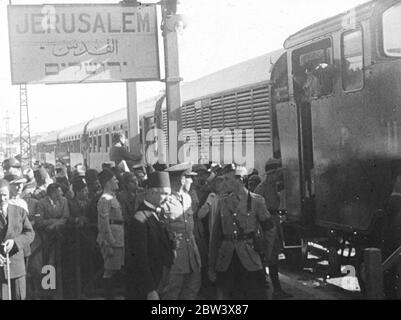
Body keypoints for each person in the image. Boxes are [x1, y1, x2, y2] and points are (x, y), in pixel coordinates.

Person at [209, 165, 274, 300]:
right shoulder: (222, 202)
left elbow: (269, 230)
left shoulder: (257, 201)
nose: (224, 183)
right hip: (227, 259)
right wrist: (212, 265)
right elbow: (215, 236)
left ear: (239, 180)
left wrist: (265, 256)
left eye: (227, 179)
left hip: (250, 258)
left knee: (255, 295)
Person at [126, 171, 174, 300]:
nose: (168, 198)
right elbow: (140, 257)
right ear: (152, 192)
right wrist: (150, 289)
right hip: (143, 288)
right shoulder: (139, 218)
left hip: (159, 281)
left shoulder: (157, 214)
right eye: (165, 194)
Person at [162, 163, 202, 300]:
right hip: (175, 257)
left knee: (192, 289)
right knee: (172, 291)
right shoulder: (165, 201)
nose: (192, 181)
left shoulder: (187, 198)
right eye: (189, 177)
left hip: (192, 254)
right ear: (182, 179)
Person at [254, 159, 292, 299]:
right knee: (268, 257)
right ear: (273, 173)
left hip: (273, 223)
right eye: (278, 173)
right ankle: (272, 288)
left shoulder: (272, 187)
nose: (279, 176)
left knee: (273, 256)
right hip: (266, 225)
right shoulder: (261, 189)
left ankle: (275, 288)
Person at [0, 179, 35, 300]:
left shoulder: (19, 211)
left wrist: (15, 242)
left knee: (20, 296)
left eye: (4, 195)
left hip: (17, 263)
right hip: (1, 265)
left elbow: (29, 233)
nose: (1, 199)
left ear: (9, 195)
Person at [97, 169, 124, 300]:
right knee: (109, 270)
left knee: (114, 270)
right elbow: (103, 223)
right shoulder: (104, 199)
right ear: (108, 182)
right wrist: (108, 242)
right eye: (114, 179)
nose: (117, 181)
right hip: (112, 239)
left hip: (118, 237)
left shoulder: (112, 197)